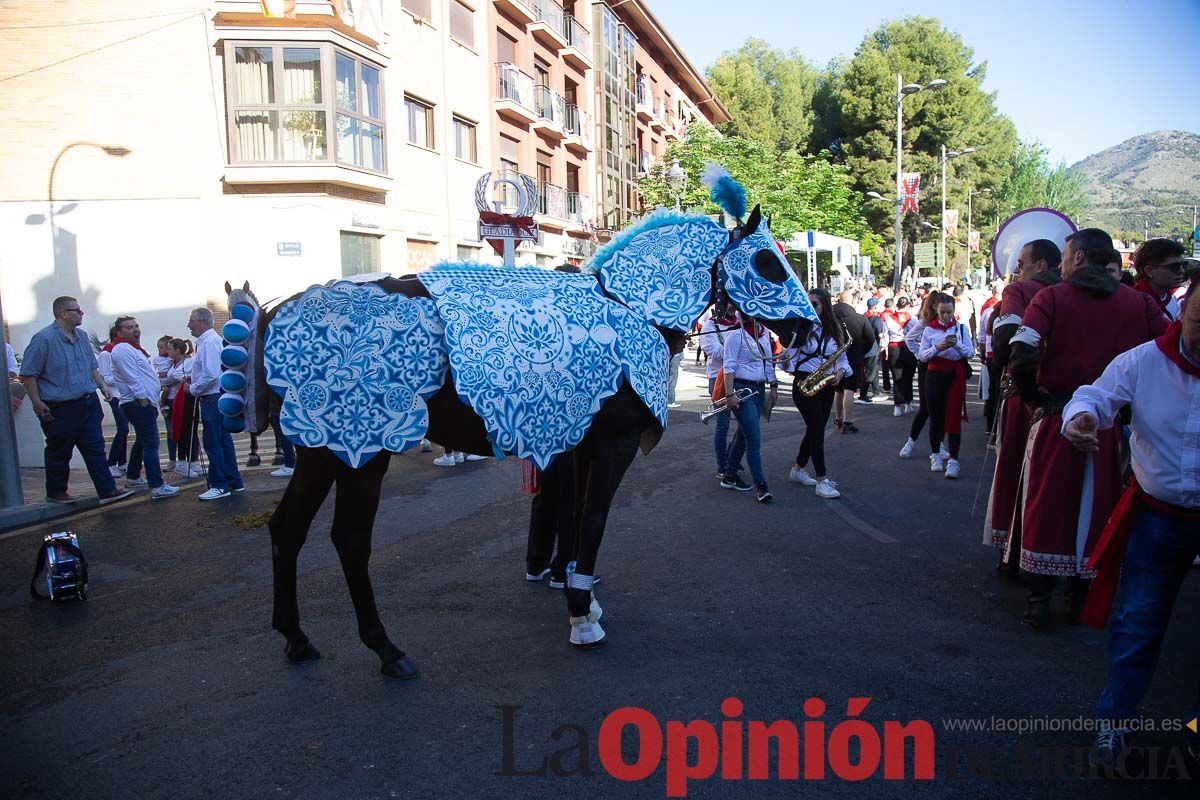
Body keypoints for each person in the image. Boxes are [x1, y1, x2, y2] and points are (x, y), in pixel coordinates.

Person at [1059, 279, 1199, 763]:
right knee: (1138, 622)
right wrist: (1080, 418)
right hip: (1159, 518)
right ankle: (1115, 721)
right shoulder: (1144, 362)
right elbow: (1095, 397)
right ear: (1184, 310)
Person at [1007, 229, 1168, 628]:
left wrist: (1034, 397)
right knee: (1099, 506)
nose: (1061, 263)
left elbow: (1022, 350)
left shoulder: (1052, 297)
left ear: (1078, 258)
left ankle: (1038, 599)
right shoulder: (1141, 304)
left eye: (1065, 255)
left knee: (1046, 505)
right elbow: (1169, 349)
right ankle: (1079, 596)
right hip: (1109, 425)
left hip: (1059, 416)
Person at [984, 239, 1062, 564]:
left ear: (1040, 265)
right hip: (1078, 402)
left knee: (1016, 472)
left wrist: (1010, 373)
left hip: (1026, 396)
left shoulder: (1019, 292)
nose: (1017, 270)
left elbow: (1005, 340)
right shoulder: (1077, 291)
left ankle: (1015, 551)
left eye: (1021, 263)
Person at [18, 296, 133, 504]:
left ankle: (107, 490)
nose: (81, 314)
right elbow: (28, 374)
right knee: (60, 451)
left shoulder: (81, 336)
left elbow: (91, 366)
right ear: (63, 313)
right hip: (60, 407)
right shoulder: (43, 339)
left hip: (87, 402)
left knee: (95, 447)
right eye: (77, 311)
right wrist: (37, 402)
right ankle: (56, 492)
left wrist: (103, 386)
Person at [784, 289, 850, 499]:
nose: (811, 308)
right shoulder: (801, 327)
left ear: (825, 307)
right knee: (817, 429)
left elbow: (842, 359)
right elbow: (789, 363)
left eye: (815, 304)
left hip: (826, 384)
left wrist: (840, 371)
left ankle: (798, 468)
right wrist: (785, 357)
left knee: (816, 428)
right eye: (809, 303)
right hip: (805, 382)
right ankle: (822, 480)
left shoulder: (834, 329)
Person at [108, 316, 180, 499]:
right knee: (151, 443)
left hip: (143, 402)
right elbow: (132, 378)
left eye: (136, 326)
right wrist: (142, 399)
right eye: (129, 327)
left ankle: (132, 476)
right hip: (138, 403)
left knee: (142, 441)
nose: (135, 330)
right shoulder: (122, 350)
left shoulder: (133, 349)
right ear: (119, 332)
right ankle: (157, 485)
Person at [719, 315, 777, 504]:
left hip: (759, 390)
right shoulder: (736, 335)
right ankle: (761, 486)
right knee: (753, 439)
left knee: (743, 436)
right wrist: (729, 394)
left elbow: (767, 362)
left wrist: (774, 386)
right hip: (742, 389)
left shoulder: (764, 334)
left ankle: (729, 475)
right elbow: (729, 365)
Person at [187, 306, 244, 500]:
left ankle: (219, 484)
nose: (189, 325)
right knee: (223, 441)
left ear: (202, 322)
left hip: (211, 397)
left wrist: (193, 388)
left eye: (192, 321)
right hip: (218, 396)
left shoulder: (208, 343)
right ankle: (233, 481)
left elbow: (211, 373)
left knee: (213, 442)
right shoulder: (211, 341)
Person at [916, 296, 975, 479]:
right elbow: (922, 356)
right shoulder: (929, 330)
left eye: (949, 311)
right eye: (942, 312)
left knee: (953, 417)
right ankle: (935, 455)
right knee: (936, 417)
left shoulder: (961, 328)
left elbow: (971, 353)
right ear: (936, 310)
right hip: (934, 376)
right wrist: (937, 347)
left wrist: (956, 345)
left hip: (954, 375)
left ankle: (954, 460)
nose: (946, 315)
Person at [898, 292, 947, 460]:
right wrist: (920, 354)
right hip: (928, 366)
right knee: (926, 408)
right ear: (934, 306)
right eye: (940, 306)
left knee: (941, 409)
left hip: (944, 367)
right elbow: (909, 338)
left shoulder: (947, 323)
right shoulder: (924, 323)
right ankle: (910, 442)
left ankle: (939, 445)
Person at [700, 307, 737, 479]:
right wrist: (736, 349)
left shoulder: (740, 323)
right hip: (719, 378)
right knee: (723, 425)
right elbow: (712, 351)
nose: (732, 307)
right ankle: (722, 465)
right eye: (728, 303)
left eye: (733, 302)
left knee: (746, 426)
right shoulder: (710, 325)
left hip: (740, 377)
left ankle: (732, 456)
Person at [832, 291, 872, 433]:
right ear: (852, 301)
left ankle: (838, 418)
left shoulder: (830, 317)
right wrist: (862, 351)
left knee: (838, 389)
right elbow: (870, 339)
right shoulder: (860, 318)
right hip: (855, 356)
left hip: (834, 357)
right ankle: (847, 421)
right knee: (850, 389)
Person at [164, 338, 203, 477]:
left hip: (187, 397)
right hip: (176, 399)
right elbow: (172, 379)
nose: (167, 351)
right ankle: (182, 461)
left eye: (169, 348)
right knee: (182, 430)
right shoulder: (174, 364)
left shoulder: (187, 362)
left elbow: (175, 378)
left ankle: (192, 461)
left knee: (189, 430)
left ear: (178, 350)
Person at [97, 324, 129, 478]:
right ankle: (111, 464)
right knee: (123, 429)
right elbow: (105, 378)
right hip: (116, 395)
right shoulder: (106, 354)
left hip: (125, 395)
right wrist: (125, 379)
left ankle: (122, 463)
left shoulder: (123, 351)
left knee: (126, 430)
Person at [1130, 238, 1185, 321]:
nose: (1182, 271)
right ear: (1149, 271)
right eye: (1174, 267)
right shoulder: (1133, 302)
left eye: (1184, 264)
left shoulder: (1171, 299)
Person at [883, 297, 916, 416]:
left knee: (897, 378)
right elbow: (918, 335)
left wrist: (884, 348)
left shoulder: (888, 319)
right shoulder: (913, 319)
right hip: (909, 348)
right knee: (908, 377)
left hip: (894, 348)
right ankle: (908, 404)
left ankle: (897, 406)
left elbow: (885, 336)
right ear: (907, 306)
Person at [859, 297, 886, 402]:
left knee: (872, 371)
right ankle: (863, 394)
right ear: (874, 307)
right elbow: (880, 335)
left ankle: (876, 391)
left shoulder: (862, 317)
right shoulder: (876, 319)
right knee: (871, 372)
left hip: (864, 348)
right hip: (873, 348)